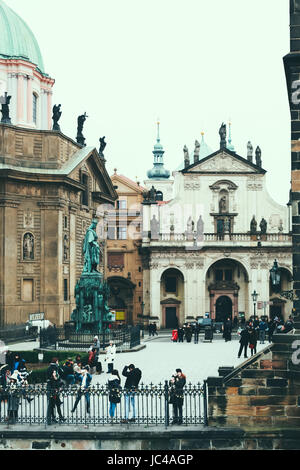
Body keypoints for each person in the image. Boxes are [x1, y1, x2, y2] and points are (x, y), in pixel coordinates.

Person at [46, 358, 66, 425]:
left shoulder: (52, 368)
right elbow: (55, 379)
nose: (58, 362)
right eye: (57, 361)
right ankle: (52, 418)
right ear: (56, 362)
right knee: (52, 405)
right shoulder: (54, 368)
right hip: (53, 389)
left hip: (53, 389)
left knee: (56, 404)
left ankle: (59, 417)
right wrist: (58, 385)